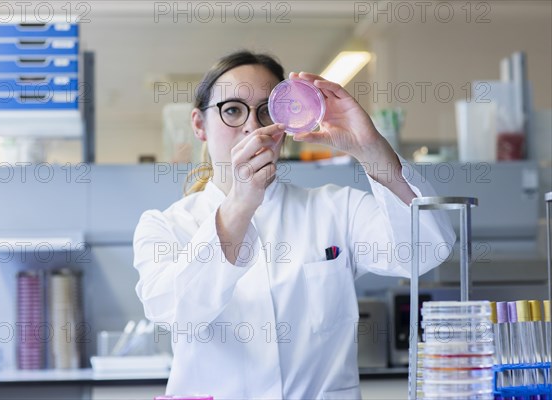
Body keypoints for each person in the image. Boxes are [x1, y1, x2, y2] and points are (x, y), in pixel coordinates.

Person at [133, 50, 456, 399]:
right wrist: (241, 202)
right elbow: (176, 313)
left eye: (267, 110)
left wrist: (373, 150)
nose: (252, 126)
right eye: (232, 110)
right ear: (199, 124)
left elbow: (426, 249)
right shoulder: (165, 227)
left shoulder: (336, 208)